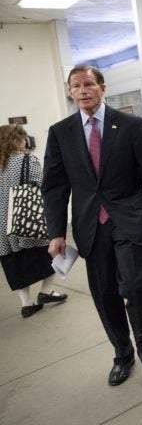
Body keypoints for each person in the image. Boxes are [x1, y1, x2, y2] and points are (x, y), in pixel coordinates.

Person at [42, 65, 142, 387]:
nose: (82, 90)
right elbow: (54, 187)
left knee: (133, 286)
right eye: (76, 86)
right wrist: (56, 232)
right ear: (70, 92)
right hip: (90, 226)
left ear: (102, 87)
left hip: (129, 219)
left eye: (88, 84)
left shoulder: (129, 125)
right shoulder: (61, 132)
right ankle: (122, 353)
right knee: (105, 294)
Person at [0, 124, 68, 318]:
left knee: (15, 263)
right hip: (26, 219)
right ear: (17, 140)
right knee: (49, 253)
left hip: (2, 227)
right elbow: (43, 183)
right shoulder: (26, 160)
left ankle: (26, 304)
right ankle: (46, 292)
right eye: (23, 139)